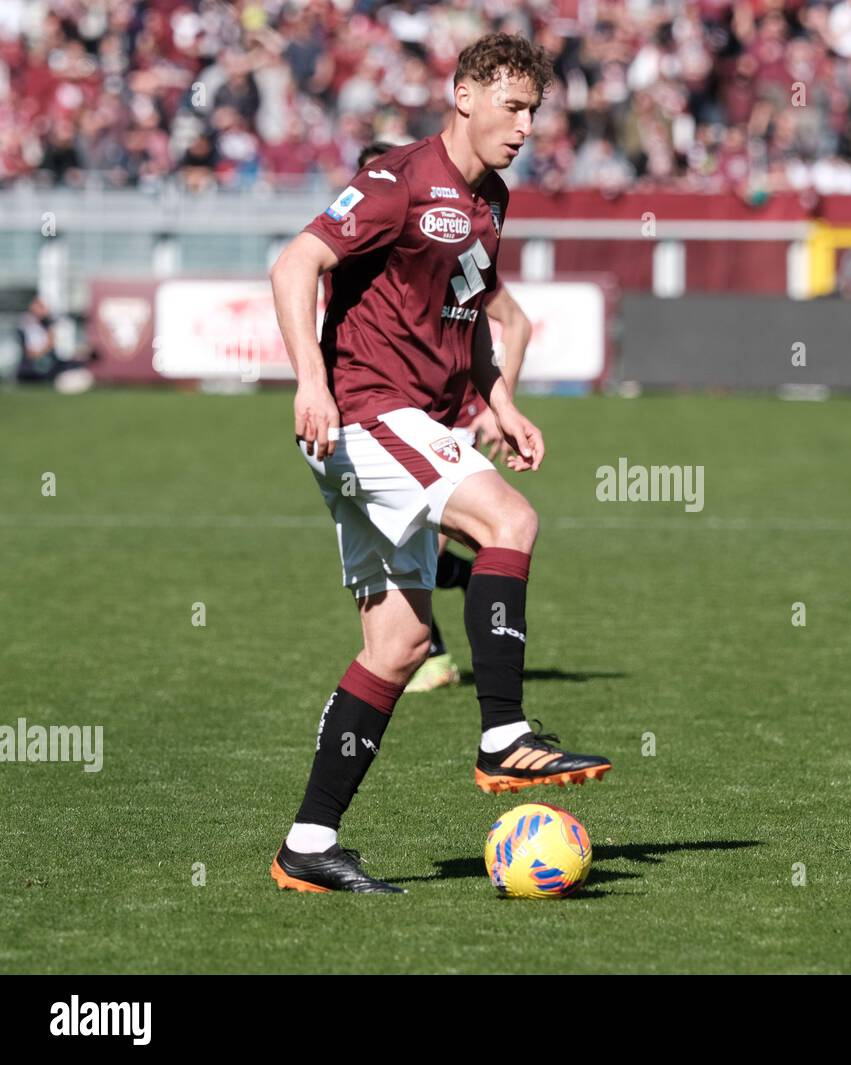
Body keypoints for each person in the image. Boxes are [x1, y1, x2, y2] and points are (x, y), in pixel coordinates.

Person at [268, 33, 610, 894]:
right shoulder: (399, 180)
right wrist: (311, 380)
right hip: (363, 411)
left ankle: (308, 843)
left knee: (399, 641)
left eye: (536, 109)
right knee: (511, 521)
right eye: (512, 105)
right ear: (463, 95)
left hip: (400, 420)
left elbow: (468, 316)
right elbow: (294, 261)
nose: (527, 125)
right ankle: (504, 735)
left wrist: (500, 400)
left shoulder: (491, 199)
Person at [349, 141, 536, 693]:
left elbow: (514, 325)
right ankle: (425, 653)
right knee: (421, 549)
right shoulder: (375, 259)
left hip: (449, 416)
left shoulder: (455, 251)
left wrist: (497, 406)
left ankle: (450, 670)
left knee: (483, 528)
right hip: (393, 416)